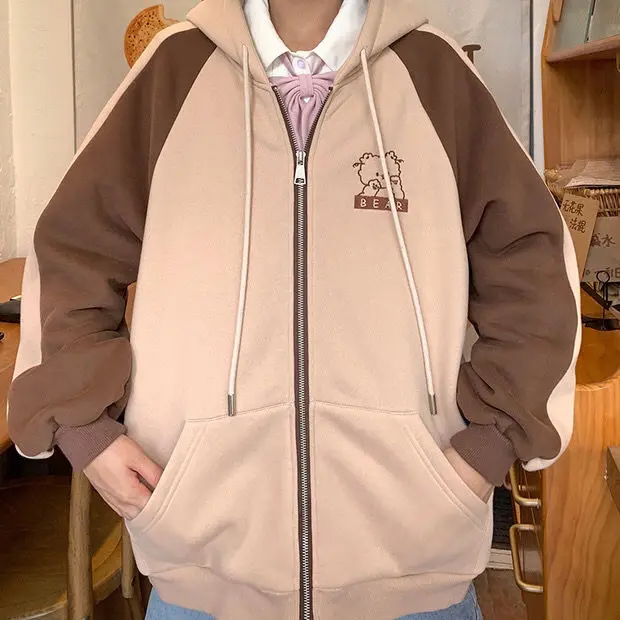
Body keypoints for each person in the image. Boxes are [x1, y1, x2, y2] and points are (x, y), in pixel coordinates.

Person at [8, 0, 581, 618]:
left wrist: (493, 440)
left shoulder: (434, 74)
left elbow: (533, 269)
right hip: (203, 578)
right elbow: (72, 251)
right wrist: (85, 429)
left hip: (415, 574)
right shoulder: (172, 73)